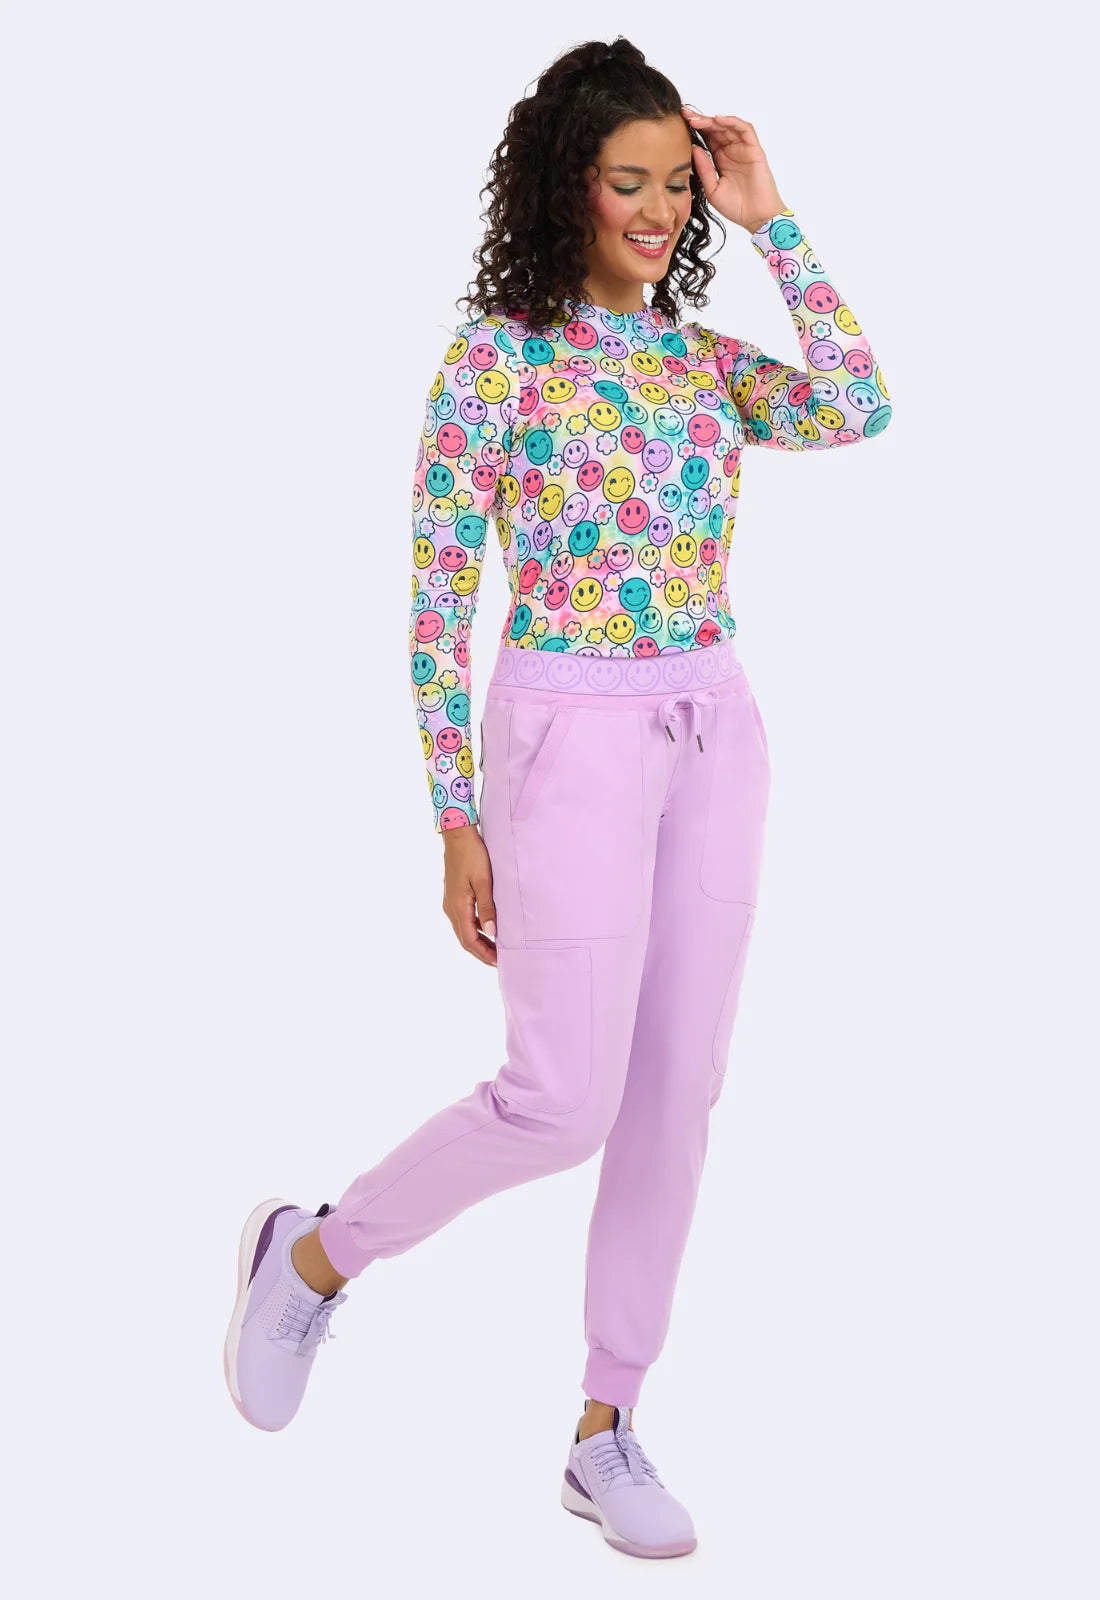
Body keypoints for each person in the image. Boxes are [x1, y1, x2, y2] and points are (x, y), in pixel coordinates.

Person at [222, 36, 892, 1560]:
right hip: (561, 739)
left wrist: (772, 215)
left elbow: (861, 403)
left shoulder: (699, 361)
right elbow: (438, 593)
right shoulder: (499, 360)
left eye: (676, 186)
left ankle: (607, 1426)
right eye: (626, 181)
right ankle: (315, 1257)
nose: (658, 211)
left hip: (714, 726)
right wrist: (453, 813)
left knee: (676, 1090)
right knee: (559, 1098)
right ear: (565, 186)